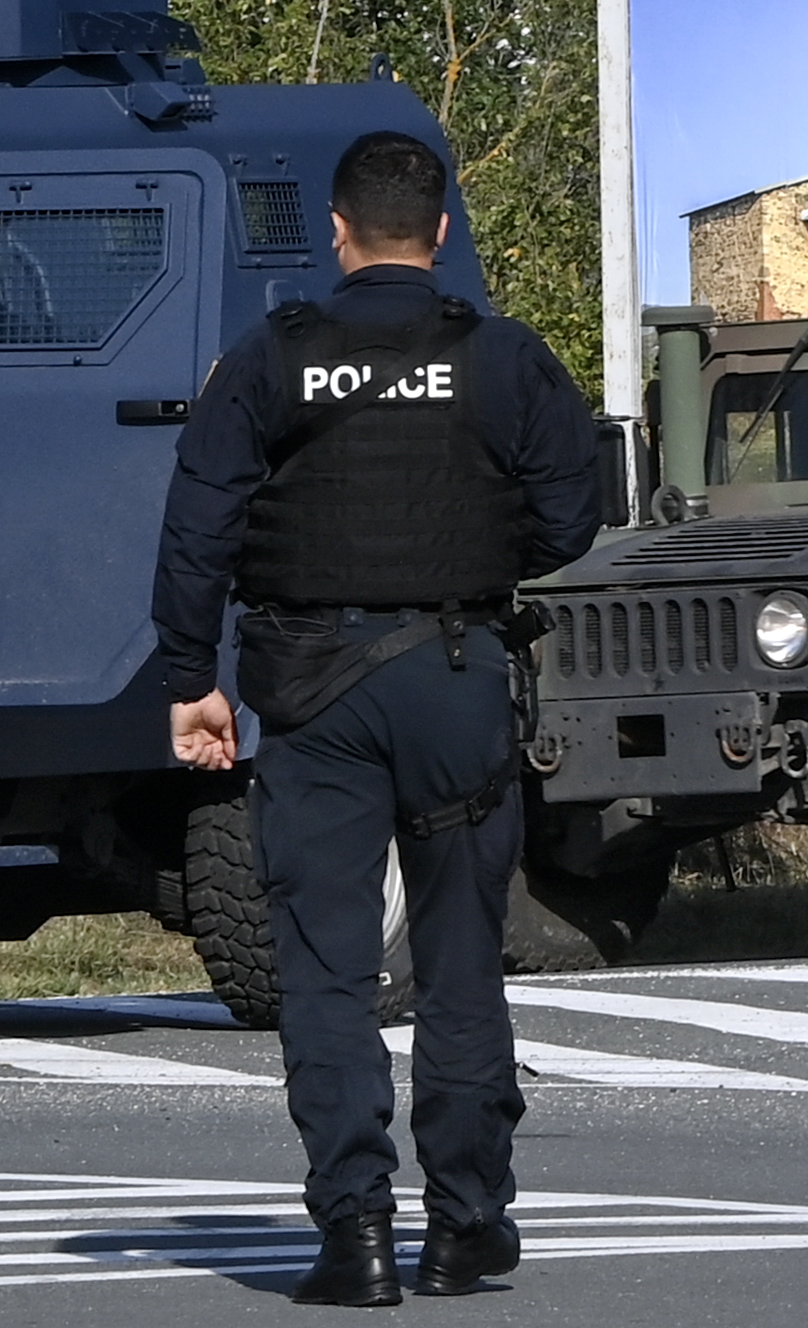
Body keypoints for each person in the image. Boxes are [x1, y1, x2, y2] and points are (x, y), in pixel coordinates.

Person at [153, 131, 603, 1306]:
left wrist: (189, 675)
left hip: (312, 691)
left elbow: (199, 516)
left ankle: (352, 1233)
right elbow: (572, 515)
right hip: (456, 676)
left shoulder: (270, 358)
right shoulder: (502, 359)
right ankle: (465, 1226)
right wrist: (471, 558)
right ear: (440, 232)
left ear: (338, 231)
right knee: (459, 964)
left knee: (326, 968)